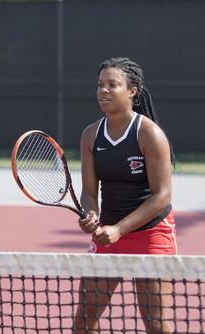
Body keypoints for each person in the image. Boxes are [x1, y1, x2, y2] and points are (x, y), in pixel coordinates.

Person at [74, 57, 177, 333]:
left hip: (151, 234)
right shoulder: (90, 135)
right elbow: (88, 192)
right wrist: (91, 214)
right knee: (84, 322)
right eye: (100, 85)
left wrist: (120, 229)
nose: (103, 91)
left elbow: (163, 195)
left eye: (112, 85)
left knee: (156, 323)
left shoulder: (149, 134)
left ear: (132, 91)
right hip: (108, 233)